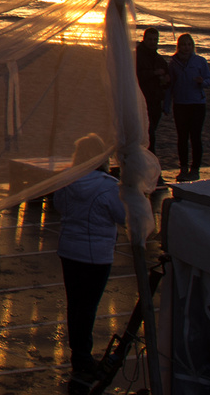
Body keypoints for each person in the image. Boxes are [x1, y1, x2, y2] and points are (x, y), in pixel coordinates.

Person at [51, 133, 126, 385]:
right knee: (89, 306)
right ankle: (83, 355)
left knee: (75, 304)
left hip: (70, 250)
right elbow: (121, 215)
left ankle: (78, 352)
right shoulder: (108, 186)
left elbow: (59, 206)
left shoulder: (67, 180)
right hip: (96, 254)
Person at [170, 33, 210, 181]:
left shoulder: (200, 61)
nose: (186, 47)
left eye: (189, 44)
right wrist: (167, 104)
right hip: (180, 104)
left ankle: (195, 169)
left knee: (195, 137)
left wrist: (203, 82)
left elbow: (209, 79)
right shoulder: (173, 62)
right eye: (183, 44)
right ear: (179, 46)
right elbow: (171, 85)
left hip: (197, 104)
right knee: (182, 137)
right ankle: (183, 168)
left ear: (192, 46)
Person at [137, 27, 173, 156]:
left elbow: (166, 82)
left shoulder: (159, 59)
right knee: (149, 135)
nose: (152, 42)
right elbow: (136, 76)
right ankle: (152, 168)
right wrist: (153, 73)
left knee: (150, 132)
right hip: (141, 100)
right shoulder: (137, 56)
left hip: (156, 101)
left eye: (155, 40)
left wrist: (166, 79)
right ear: (144, 39)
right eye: (150, 39)